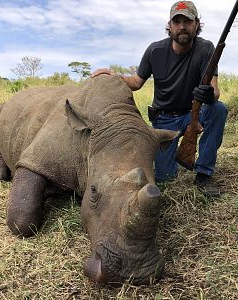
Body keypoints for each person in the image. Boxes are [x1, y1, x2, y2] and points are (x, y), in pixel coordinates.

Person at [91, 1, 228, 198]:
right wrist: (113, 75)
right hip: (163, 120)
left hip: (192, 114)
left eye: (187, 21)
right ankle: (173, 160)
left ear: (196, 24)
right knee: (165, 178)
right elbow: (137, 82)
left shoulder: (206, 48)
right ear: (169, 25)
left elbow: (214, 91)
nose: (182, 26)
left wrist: (208, 95)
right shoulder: (155, 50)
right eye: (177, 21)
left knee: (217, 109)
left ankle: (204, 174)